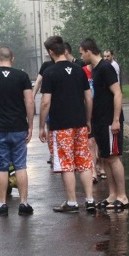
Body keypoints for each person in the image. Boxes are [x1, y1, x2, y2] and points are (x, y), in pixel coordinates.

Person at [38, 36, 95, 212]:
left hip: (61, 125)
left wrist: (41, 126)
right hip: (79, 123)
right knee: (84, 161)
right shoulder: (79, 70)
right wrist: (87, 120)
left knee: (66, 163)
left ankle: (71, 202)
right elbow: (88, 97)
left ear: (50, 52)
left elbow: (46, 102)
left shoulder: (50, 73)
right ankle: (90, 200)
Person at [0, 46, 34, 216]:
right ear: (12, 58)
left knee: (2, 167)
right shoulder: (22, 76)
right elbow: (29, 101)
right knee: (20, 166)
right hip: (18, 126)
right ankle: (24, 204)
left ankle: (3, 204)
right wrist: (30, 125)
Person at [79, 38, 129, 210]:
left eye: (81, 53)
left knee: (114, 158)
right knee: (105, 158)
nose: (81, 57)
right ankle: (112, 194)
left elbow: (117, 93)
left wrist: (116, 120)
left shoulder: (106, 67)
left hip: (109, 121)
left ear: (88, 51)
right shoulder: (96, 70)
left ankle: (122, 196)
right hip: (99, 121)